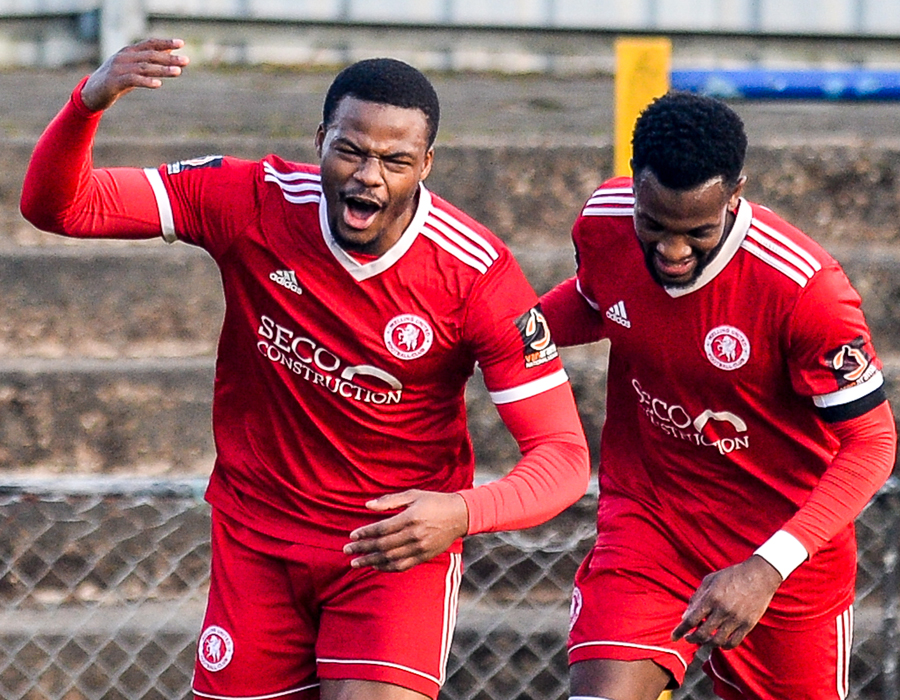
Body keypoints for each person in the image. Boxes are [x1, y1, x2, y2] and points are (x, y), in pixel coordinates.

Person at [20, 38, 590, 700]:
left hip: (391, 550)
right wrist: (88, 103)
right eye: (351, 150)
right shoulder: (250, 199)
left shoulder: (476, 274)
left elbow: (562, 455)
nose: (368, 176)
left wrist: (462, 512)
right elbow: (63, 207)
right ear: (320, 139)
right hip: (257, 541)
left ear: (426, 164)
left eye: (396, 161)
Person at [540, 91, 896, 700]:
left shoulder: (805, 291)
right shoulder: (603, 222)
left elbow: (873, 444)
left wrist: (766, 568)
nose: (673, 251)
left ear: (736, 195)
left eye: (697, 232)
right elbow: (597, 302)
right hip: (653, 523)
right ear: (634, 184)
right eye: (654, 226)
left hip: (783, 556)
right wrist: (503, 333)